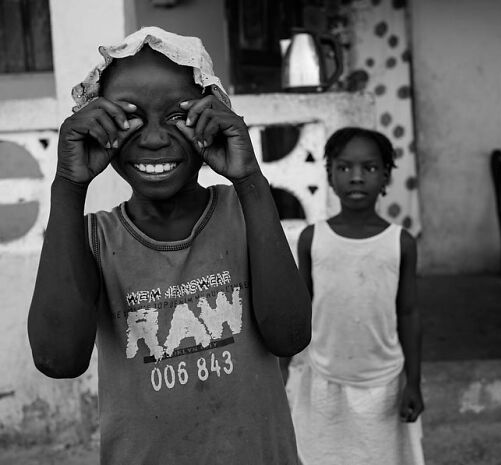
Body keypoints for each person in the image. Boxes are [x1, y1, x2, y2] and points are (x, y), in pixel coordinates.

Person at [27, 27, 311, 464]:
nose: (155, 138)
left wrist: (251, 181)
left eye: (178, 116)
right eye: (130, 116)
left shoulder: (245, 212)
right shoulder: (93, 241)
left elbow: (290, 335)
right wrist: (68, 186)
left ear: (213, 117)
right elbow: (58, 359)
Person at [285, 127, 424, 464]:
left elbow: (408, 313)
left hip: (383, 380)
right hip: (324, 377)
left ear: (387, 176)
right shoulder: (312, 238)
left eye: (370, 168)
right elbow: (299, 312)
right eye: (344, 167)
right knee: (322, 453)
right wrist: (283, 372)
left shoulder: (400, 242)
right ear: (330, 176)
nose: (357, 177)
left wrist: (414, 383)